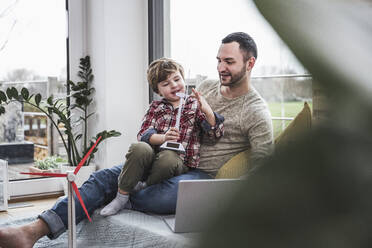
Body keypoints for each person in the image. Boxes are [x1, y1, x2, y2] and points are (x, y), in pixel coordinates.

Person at [0, 32, 273, 247]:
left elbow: (265, 165)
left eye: (229, 62)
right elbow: (167, 113)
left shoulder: (257, 111)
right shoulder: (206, 87)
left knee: (160, 196)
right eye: (218, 60)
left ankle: (120, 194)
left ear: (250, 63)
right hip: (167, 157)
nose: (220, 67)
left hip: (203, 174)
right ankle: (32, 231)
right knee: (103, 177)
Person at [99, 58, 224, 216]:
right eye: (165, 84)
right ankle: (121, 196)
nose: (173, 85)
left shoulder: (194, 105)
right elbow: (143, 134)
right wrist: (163, 137)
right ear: (158, 91)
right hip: (153, 157)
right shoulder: (156, 107)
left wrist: (207, 111)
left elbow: (215, 133)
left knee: (169, 157)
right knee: (140, 148)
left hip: (179, 162)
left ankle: (144, 189)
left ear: (183, 79)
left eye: (177, 79)